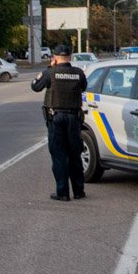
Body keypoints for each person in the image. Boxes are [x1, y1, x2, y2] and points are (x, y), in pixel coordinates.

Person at [30, 45, 88, 202]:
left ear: (54, 57)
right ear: (71, 56)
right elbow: (83, 87)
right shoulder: (78, 73)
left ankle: (62, 192)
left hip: (56, 118)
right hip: (74, 118)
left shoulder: (50, 72)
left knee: (59, 155)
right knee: (75, 154)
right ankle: (78, 190)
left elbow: (35, 86)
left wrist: (49, 68)